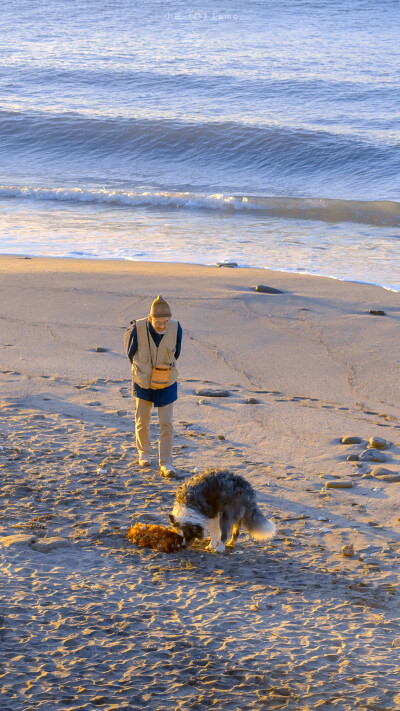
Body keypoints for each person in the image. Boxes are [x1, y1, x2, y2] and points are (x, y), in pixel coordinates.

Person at [124, 295, 182, 477]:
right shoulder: (136, 328)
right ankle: (144, 454)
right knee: (142, 420)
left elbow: (176, 352)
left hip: (167, 381)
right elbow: (129, 352)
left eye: (166, 321)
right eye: (158, 322)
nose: (162, 326)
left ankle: (166, 463)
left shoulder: (176, 328)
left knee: (167, 423)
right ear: (150, 318)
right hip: (143, 381)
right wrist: (143, 371)